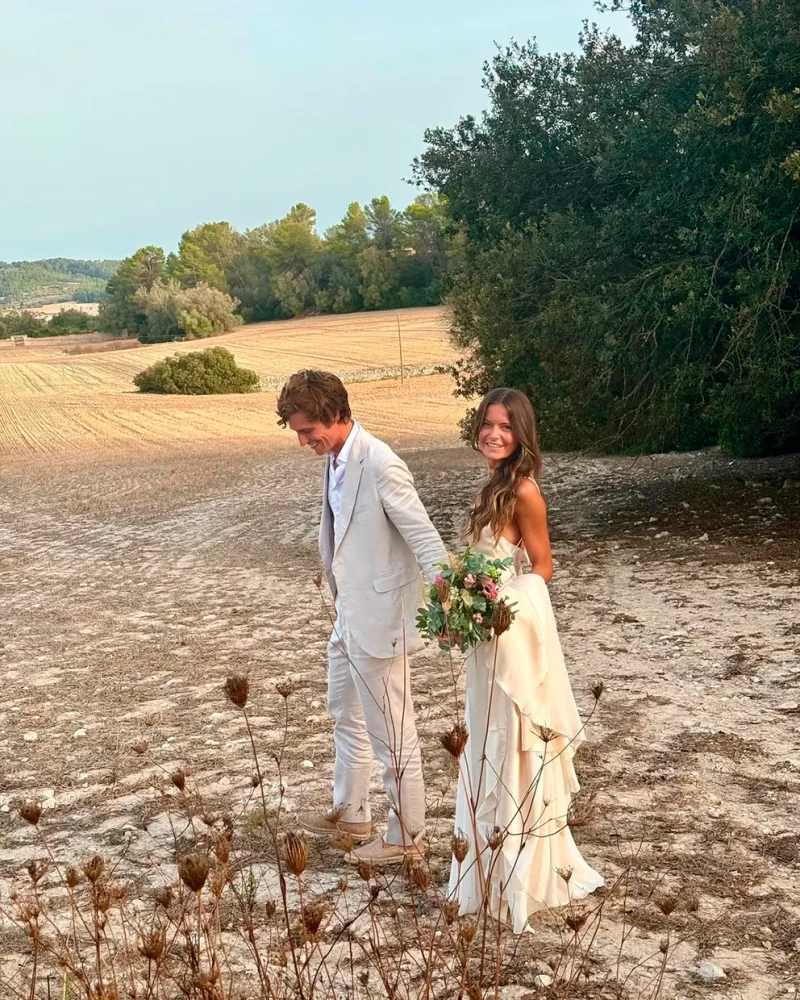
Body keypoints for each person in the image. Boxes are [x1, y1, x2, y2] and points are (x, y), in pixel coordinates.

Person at [447, 387, 603, 932]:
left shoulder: (525, 491)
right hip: (485, 643)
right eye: (488, 423)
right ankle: (486, 866)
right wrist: (458, 600)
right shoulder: (491, 484)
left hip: (509, 636)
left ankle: (524, 873)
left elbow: (543, 567)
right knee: (482, 738)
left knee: (510, 741)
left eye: (505, 427)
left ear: (521, 434)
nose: (494, 433)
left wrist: (497, 601)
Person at [277, 370, 447, 865]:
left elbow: (424, 536)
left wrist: (450, 597)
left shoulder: (382, 464)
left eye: (309, 430)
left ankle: (406, 837)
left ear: (334, 414)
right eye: (298, 432)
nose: (304, 441)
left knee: (392, 731)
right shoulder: (335, 459)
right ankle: (350, 811)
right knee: (344, 714)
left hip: (380, 619)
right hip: (347, 616)